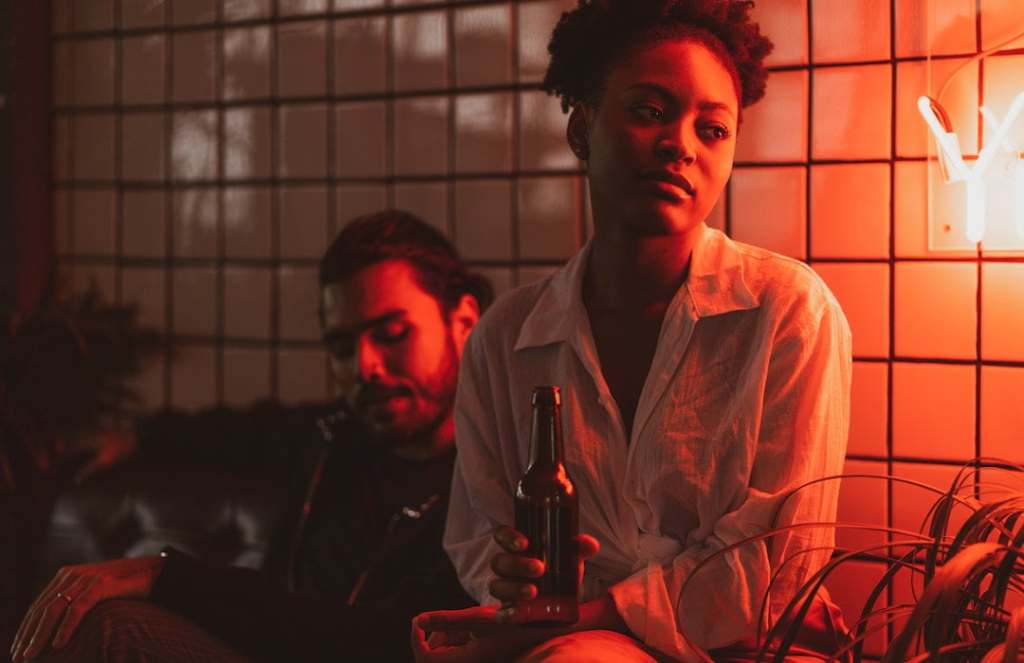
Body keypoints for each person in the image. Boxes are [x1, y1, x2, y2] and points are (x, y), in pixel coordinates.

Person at [412, 1, 852, 661]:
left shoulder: (788, 310)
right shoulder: (506, 339)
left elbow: (778, 563)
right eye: (650, 111)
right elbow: (479, 538)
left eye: (714, 128)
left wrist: (589, 615)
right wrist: (509, 579)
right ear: (582, 129)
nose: (681, 144)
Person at [10, 210, 491, 663]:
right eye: (342, 347)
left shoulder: (495, 477)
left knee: (110, 627)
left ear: (464, 322)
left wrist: (165, 575)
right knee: (76, 617)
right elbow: (233, 432)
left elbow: (393, 636)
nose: (365, 367)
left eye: (391, 333)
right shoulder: (335, 436)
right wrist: (136, 436)